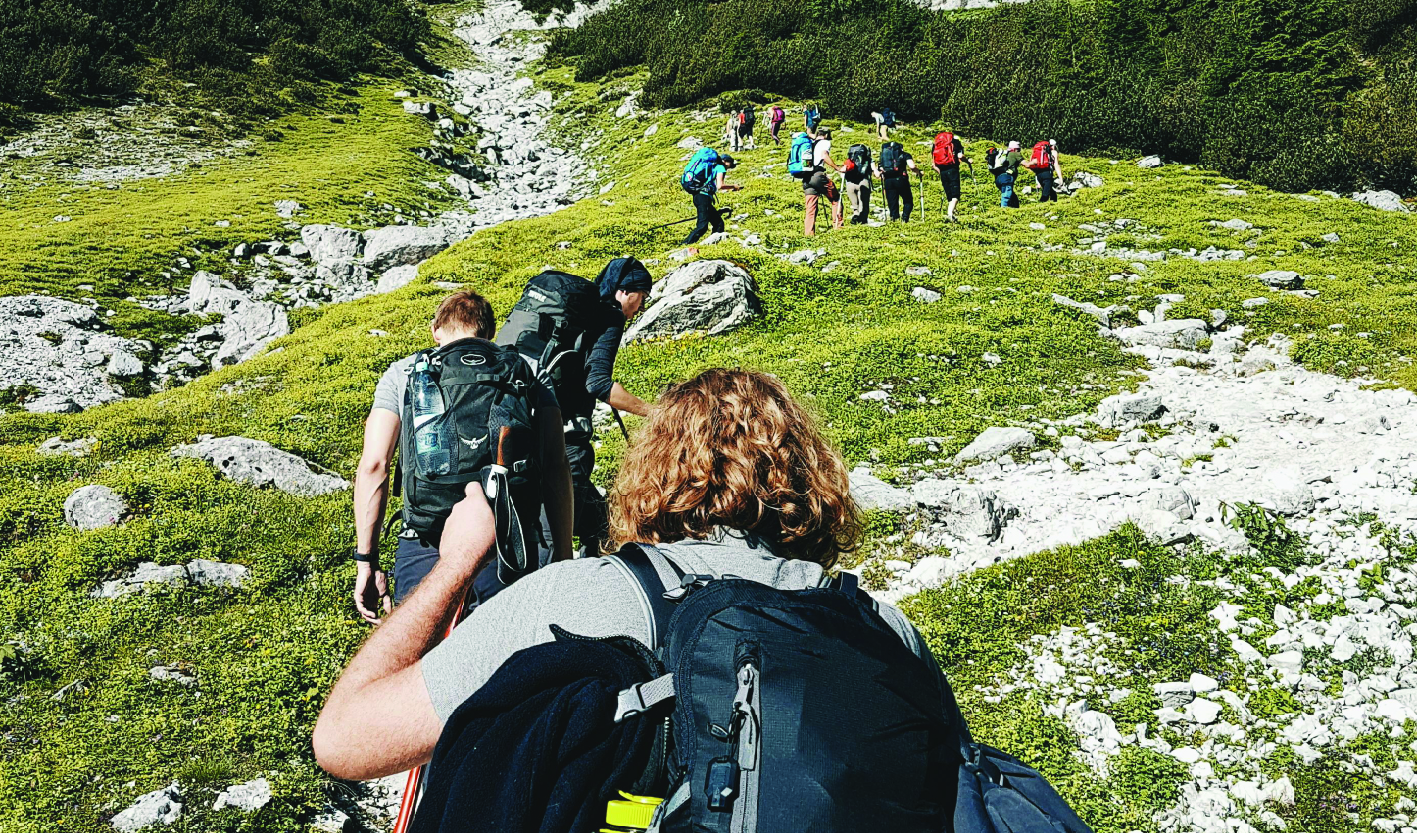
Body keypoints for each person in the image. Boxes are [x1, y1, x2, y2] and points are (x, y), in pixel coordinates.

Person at [313, 368, 941, 782]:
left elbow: (345, 741)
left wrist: (454, 565)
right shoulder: (881, 626)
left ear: (651, 471)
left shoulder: (583, 597)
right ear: (811, 479)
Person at [351, 291, 573, 622]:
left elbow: (374, 466)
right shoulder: (525, 369)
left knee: (422, 657)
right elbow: (556, 464)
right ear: (490, 334)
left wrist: (366, 561)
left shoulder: (404, 372)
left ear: (435, 331)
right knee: (505, 659)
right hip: (506, 541)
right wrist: (563, 553)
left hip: (426, 540)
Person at [499, 261, 655, 560]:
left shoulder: (576, 317)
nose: (642, 305)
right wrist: (654, 412)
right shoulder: (609, 315)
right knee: (556, 534)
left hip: (522, 427)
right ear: (625, 291)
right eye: (642, 296)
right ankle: (559, 591)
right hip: (566, 443)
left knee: (599, 521)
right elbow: (598, 384)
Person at [682, 152, 740, 245]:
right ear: (725, 161)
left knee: (719, 224)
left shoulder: (711, 167)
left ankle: (714, 244)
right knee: (702, 226)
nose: (729, 167)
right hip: (703, 197)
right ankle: (686, 244)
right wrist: (734, 186)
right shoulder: (720, 167)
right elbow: (720, 186)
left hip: (699, 196)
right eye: (729, 164)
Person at [802, 126, 844, 236]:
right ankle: (838, 227)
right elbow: (824, 155)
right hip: (817, 175)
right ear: (826, 135)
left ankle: (809, 234)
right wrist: (837, 168)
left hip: (806, 177)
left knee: (810, 208)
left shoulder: (809, 144)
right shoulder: (825, 142)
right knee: (836, 199)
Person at [876, 140, 922, 222]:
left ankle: (894, 219)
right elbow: (912, 166)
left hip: (888, 181)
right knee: (908, 200)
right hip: (901, 179)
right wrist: (919, 172)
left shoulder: (884, 156)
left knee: (892, 202)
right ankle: (905, 218)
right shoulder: (904, 154)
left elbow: (879, 170)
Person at [931, 130, 972, 223]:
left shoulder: (936, 145)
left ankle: (952, 212)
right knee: (955, 194)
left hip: (942, 171)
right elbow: (960, 156)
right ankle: (950, 213)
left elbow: (933, 165)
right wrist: (968, 161)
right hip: (953, 169)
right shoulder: (955, 143)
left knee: (949, 193)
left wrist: (940, 172)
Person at [842, 142, 874, 225]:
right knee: (863, 205)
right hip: (863, 182)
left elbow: (843, 169)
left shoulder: (849, 160)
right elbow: (875, 171)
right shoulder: (868, 160)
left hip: (850, 183)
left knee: (855, 207)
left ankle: (855, 216)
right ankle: (863, 222)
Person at [1034, 139, 1061, 203]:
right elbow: (1056, 165)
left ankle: (1053, 203)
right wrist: (1060, 178)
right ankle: (1041, 206)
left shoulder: (1038, 153)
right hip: (1047, 174)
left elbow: (1035, 167)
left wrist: (1037, 181)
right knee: (1045, 194)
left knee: (1050, 191)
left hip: (1039, 174)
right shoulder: (1053, 152)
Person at [999, 140, 1023, 208]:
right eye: (1018, 149)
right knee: (1007, 194)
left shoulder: (1005, 154)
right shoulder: (1014, 154)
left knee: (1009, 193)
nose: (1019, 151)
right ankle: (1003, 210)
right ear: (1015, 149)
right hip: (1007, 177)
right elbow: (1025, 164)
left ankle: (1013, 207)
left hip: (999, 177)